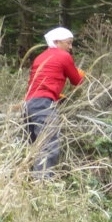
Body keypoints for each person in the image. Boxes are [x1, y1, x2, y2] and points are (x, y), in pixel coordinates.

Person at [24, 27, 84, 178]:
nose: (70, 47)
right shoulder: (64, 56)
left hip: (29, 104)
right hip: (44, 104)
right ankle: (41, 186)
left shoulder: (40, 57)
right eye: (68, 43)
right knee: (48, 145)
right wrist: (81, 74)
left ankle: (27, 182)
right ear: (56, 42)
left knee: (33, 146)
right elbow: (77, 81)